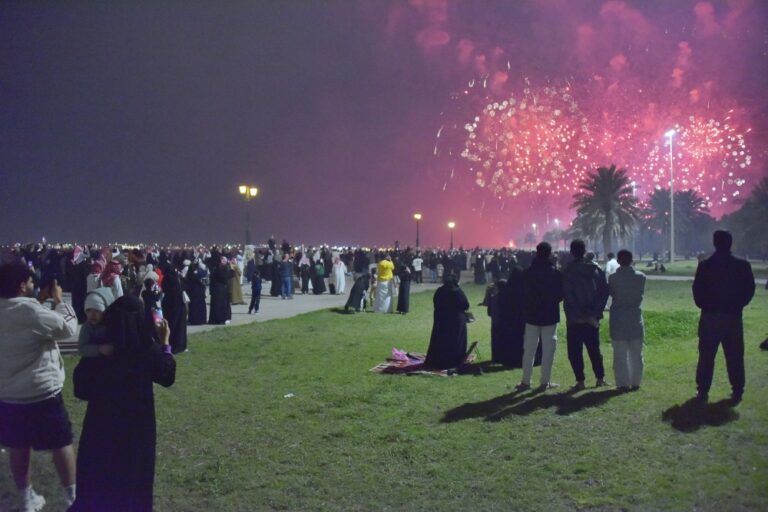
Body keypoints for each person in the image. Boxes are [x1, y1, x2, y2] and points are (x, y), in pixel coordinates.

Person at [69, 296, 176, 512]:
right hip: (137, 424)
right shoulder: (146, 347)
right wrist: (165, 343)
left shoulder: (104, 347)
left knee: (100, 472)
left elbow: (80, 386)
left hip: (102, 421)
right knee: (134, 475)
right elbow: (167, 375)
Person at [0, 263, 78, 511]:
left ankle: (26, 498)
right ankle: (72, 496)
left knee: (18, 446)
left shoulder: (11, 309)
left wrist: (41, 303)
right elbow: (66, 327)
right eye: (31, 283)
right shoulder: (30, 312)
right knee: (61, 442)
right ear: (22, 285)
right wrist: (58, 301)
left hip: (9, 394)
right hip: (41, 392)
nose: (35, 286)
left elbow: (31, 324)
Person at [692, 230, 755, 403]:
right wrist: (739, 304)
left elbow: (697, 290)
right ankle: (737, 389)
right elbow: (749, 289)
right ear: (730, 243)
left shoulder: (705, 266)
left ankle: (703, 390)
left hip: (710, 316)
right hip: (732, 316)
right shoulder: (742, 265)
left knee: (706, 356)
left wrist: (704, 305)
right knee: (735, 355)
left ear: (715, 243)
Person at [562, 239, 610, 390]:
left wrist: (577, 314)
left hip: (574, 319)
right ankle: (600, 378)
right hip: (592, 318)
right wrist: (594, 314)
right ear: (585, 251)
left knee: (575, 352)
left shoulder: (568, 271)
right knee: (594, 350)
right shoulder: (596, 269)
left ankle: (580, 381)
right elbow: (603, 293)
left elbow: (568, 295)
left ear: (571, 252)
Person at [518, 242, 563, 390]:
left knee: (529, 350)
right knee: (549, 350)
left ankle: (525, 381)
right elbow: (560, 294)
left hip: (532, 315)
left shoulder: (528, 272)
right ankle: (545, 381)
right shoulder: (555, 273)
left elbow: (523, 293)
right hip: (550, 315)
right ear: (549, 253)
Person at [608, 250, 646, 391]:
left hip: (618, 318)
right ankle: (636, 381)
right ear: (632, 260)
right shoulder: (641, 277)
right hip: (635, 318)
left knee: (619, 355)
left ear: (618, 261)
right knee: (636, 354)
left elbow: (612, 293)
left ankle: (622, 383)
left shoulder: (612, 278)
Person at [424, 274, 470, 369]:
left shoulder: (440, 291)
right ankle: (454, 359)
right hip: (455, 320)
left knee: (441, 339)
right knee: (455, 340)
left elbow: (435, 303)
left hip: (441, 319)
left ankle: (439, 359)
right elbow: (465, 304)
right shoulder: (457, 291)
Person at [78, 287, 116, 358]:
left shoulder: (113, 324)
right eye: (88, 310)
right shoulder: (87, 327)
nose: (92, 315)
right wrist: (99, 349)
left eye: (97, 310)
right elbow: (81, 348)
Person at [160, 264, 188, 353]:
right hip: (180, 304)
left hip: (170, 304)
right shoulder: (177, 279)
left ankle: (171, 345)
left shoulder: (166, 279)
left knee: (171, 325)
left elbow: (164, 289)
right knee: (180, 326)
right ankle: (181, 345)